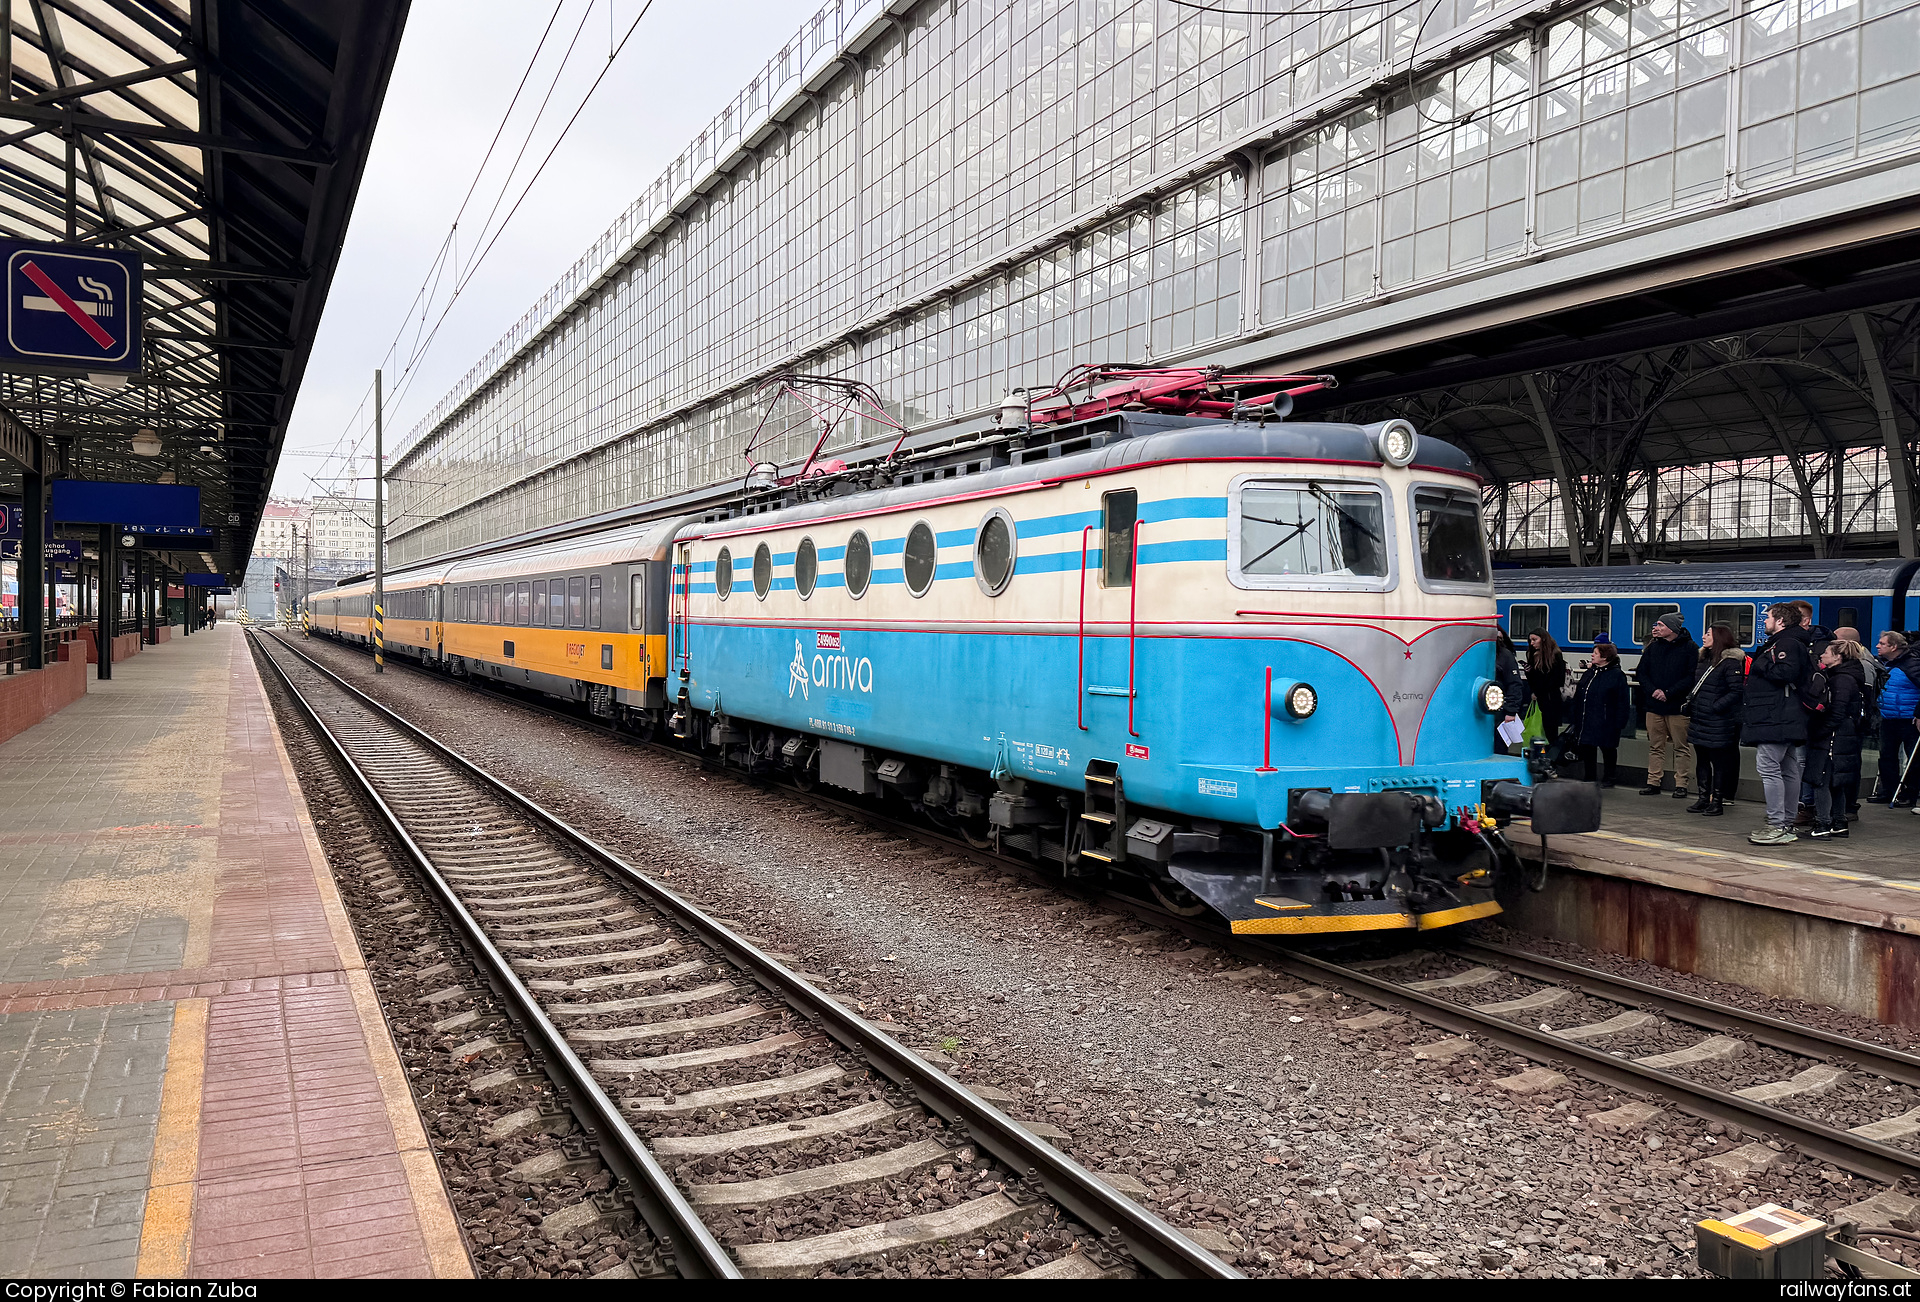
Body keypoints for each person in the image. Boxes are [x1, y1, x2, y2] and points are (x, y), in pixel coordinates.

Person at [1743, 601, 1815, 845]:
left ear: (1781, 621)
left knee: (1769, 768)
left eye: (1768, 618)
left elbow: (1785, 673)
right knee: (1788, 769)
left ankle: (1778, 824)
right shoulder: (1795, 642)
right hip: (1786, 716)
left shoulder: (1785, 644)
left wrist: (1759, 663)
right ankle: (1786, 822)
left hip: (1775, 716)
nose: (1765, 622)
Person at [1805, 638, 1868, 838]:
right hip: (1844, 735)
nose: (1822, 655)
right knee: (1836, 782)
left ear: (1838, 657)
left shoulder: (1840, 680)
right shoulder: (1851, 677)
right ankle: (1839, 821)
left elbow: (1837, 712)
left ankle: (1822, 824)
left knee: (1821, 779)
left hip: (1832, 737)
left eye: (1826, 652)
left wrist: (1820, 730)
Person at [1683, 622, 1746, 817]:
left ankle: (1717, 800)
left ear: (1718, 637)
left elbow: (1736, 691)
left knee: (1719, 762)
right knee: (1701, 759)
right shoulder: (1703, 659)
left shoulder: (1730, 662)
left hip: (1718, 721)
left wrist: (1716, 706)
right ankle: (1703, 797)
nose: (1703, 636)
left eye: (1708, 634)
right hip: (1700, 718)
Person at [1636, 612, 1698, 798]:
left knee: (1681, 746)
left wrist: (1669, 693)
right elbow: (1642, 672)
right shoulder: (1653, 647)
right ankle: (1653, 781)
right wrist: (1653, 691)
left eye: (1661, 625)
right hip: (1654, 705)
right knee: (1655, 745)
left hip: (1677, 706)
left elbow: (1690, 676)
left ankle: (1681, 784)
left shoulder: (1689, 648)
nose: (1657, 628)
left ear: (1672, 628)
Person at [1570, 634, 1631, 787]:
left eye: (1595, 653)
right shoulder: (1591, 673)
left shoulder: (1616, 675)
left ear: (1604, 657)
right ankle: (1589, 775)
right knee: (1588, 748)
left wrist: (1620, 721)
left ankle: (1610, 777)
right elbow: (1580, 693)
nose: (1592, 655)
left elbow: (1622, 700)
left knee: (1608, 749)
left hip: (1607, 719)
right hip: (1588, 717)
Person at [1875, 630, 1919, 807]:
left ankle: (1910, 793)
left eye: (1882, 643)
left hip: (1909, 718)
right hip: (1889, 717)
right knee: (1886, 756)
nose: (1878, 645)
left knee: (1913, 758)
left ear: (1893, 647)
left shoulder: (1912, 665)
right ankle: (1889, 790)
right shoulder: (1884, 664)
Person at [1526, 631, 1568, 746]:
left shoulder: (1555, 655)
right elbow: (1533, 679)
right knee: (1544, 730)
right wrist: (1529, 672)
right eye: (1530, 640)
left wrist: (1538, 689)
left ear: (1543, 639)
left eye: (1535, 639)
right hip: (1541, 697)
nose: (1532, 643)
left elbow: (1558, 679)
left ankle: (1552, 758)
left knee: (1551, 731)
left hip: (1550, 698)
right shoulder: (1532, 654)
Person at [1494, 629, 1528, 752]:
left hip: (1499, 712)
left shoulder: (1505, 656)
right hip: (1486, 711)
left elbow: (1515, 684)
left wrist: (1511, 711)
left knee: (1498, 747)